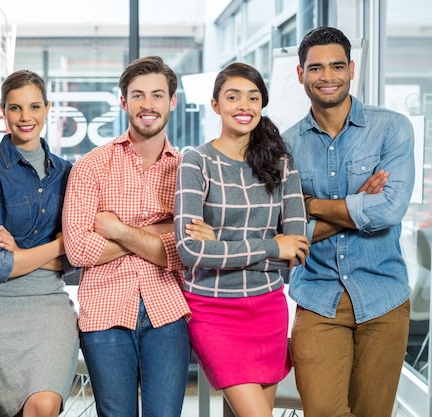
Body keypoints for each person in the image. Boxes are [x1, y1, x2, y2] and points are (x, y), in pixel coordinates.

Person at [283, 26, 415, 417]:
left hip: (383, 297)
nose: (328, 76)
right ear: (300, 74)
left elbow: (390, 210)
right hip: (317, 299)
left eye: (337, 66)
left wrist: (314, 205)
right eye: (317, 68)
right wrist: (359, 206)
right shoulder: (284, 146)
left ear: (352, 69)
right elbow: (289, 236)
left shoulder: (392, 128)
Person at [174, 62, 309, 417]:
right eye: (232, 97)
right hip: (213, 310)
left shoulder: (280, 163)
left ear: (262, 104)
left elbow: (296, 249)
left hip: (267, 307)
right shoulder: (196, 162)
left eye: (253, 97)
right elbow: (189, 250)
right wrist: (269, 245)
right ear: (216, 104)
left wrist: (219, 243)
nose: (243, 106)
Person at [62, 56, 191, 417]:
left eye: (157, 95)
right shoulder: (91, 165)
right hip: (104, 311)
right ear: (123, 102)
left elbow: (186, 248)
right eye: (137, 96)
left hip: (167, 309)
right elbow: (79, 249)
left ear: (172, 101)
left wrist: (117, 229)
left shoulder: (188, 169)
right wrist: (159, 232)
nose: (147, 105)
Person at [0, 70, 78, 417]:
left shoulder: (68, 172)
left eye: (33, 107)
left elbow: (77, 261)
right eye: (15, 108)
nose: (25, 117)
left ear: (47, 108)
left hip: (48, 301)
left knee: (43, 405)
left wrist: (25, 254)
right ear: (3, 110)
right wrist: (59, 246)